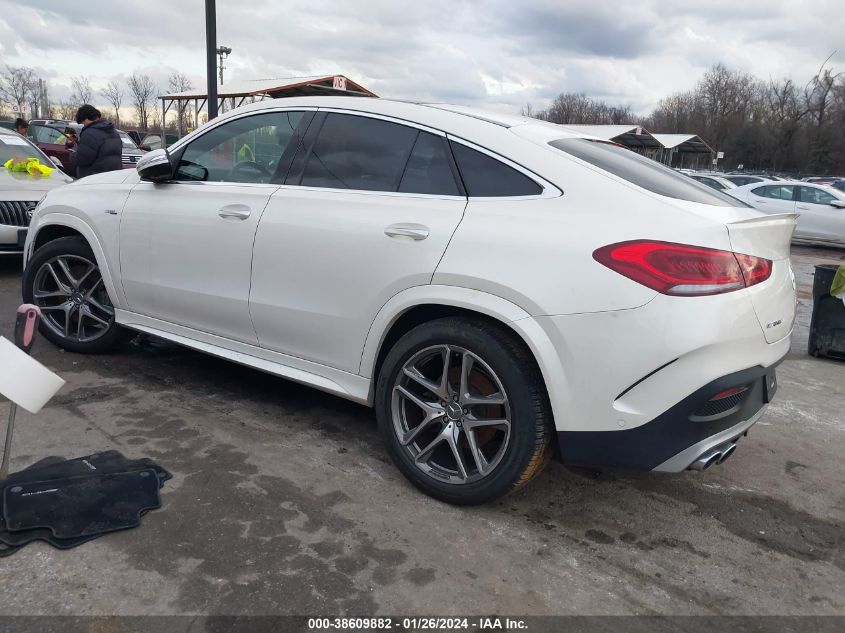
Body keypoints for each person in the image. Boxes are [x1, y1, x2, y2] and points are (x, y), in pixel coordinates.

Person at [71, 104, 122, 178]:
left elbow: (82, 159)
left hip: (93, 179)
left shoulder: (89, 133)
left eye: (83, 123)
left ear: (86, 119)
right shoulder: (114, 132)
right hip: (113, 177)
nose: (83, 126)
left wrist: (71, 155)